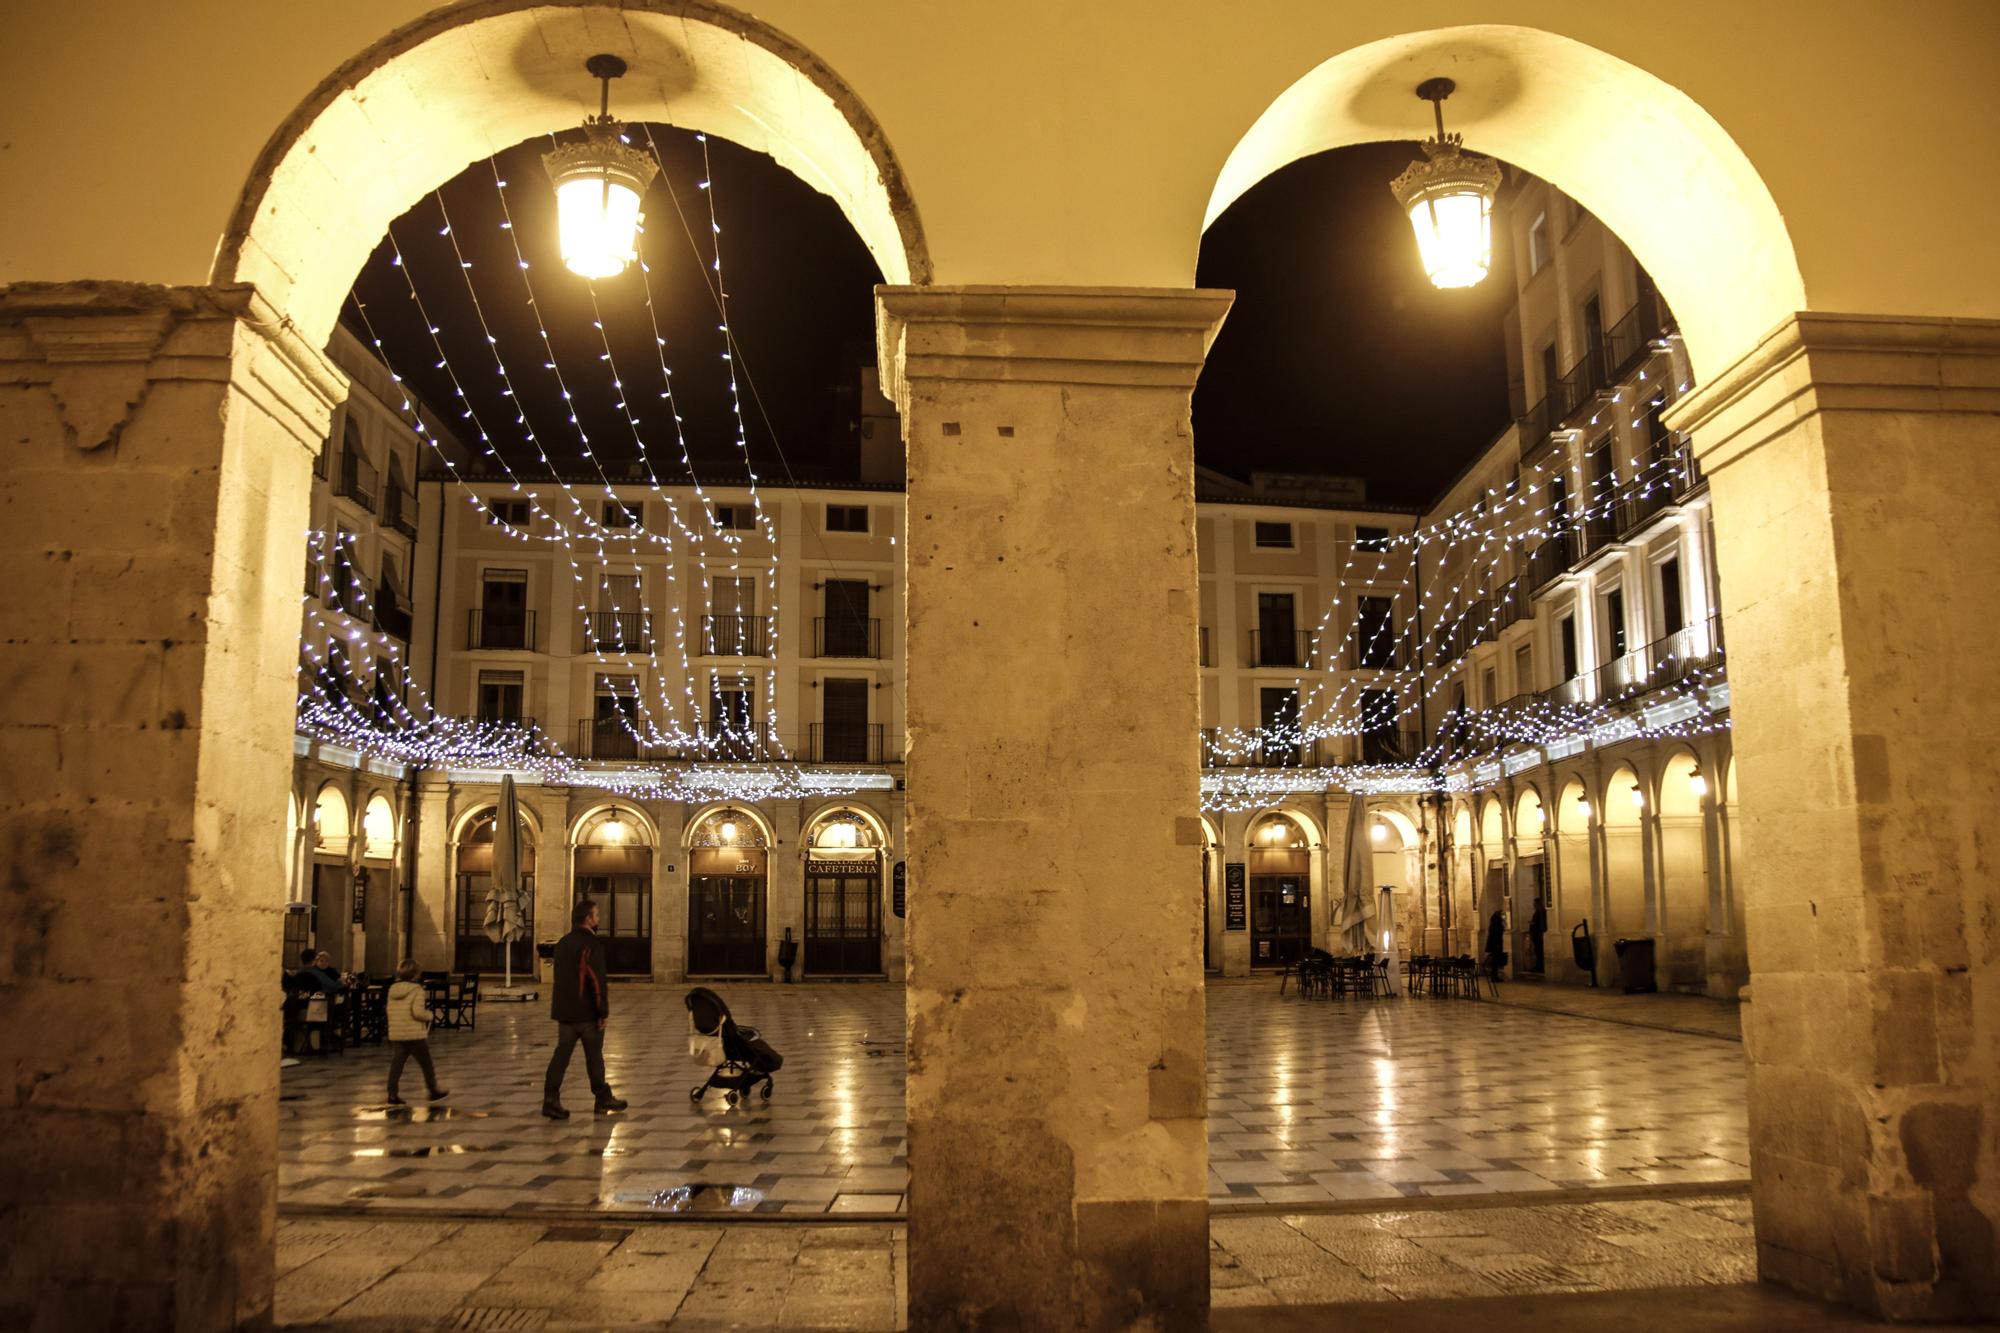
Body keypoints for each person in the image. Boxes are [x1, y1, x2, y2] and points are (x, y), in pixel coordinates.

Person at [542, 898, 627, 1119]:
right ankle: (602, 1098)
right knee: (594, 1057)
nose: (598, 919)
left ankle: (550, 1099)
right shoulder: (591, 945)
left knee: (561, 1056)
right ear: (588, 919)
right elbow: (596, 981)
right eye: (596, 915)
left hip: (564, 1011)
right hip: (587, 1012)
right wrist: (602, 1012)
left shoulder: (562, 943)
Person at [385, 959, 448, 1105]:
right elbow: (417, 1013)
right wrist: (430, 1015)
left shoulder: (392, 989)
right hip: (414, 1033)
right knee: (426, 1063)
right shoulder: (417, 990)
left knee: (397, 1064)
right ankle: (433, 1090)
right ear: (416, 974)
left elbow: (389, 1010)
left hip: (398, 1032)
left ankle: (392, 1094)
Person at [1484, 909, 1507, 982]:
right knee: (1495, 961)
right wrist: (1497, 945)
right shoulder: (1496, 923)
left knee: (1495, 961)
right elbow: (1496, 934)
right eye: (1502, 914)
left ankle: (1494, 976)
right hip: (1496, 944)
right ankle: (1494, 977)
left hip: (1494, 944)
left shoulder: (1494, 922)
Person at [1528, 896, 1548, 974]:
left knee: (1539, 951)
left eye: (1535, 903)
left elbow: (1539, 923)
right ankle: (1538, 966)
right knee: (1538, 951)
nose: (1533, 905)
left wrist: (1532, 923)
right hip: (1537, 934)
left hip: (1538, 935)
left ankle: (1540, 966)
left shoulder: (1540, 911)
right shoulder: (1539, 911)